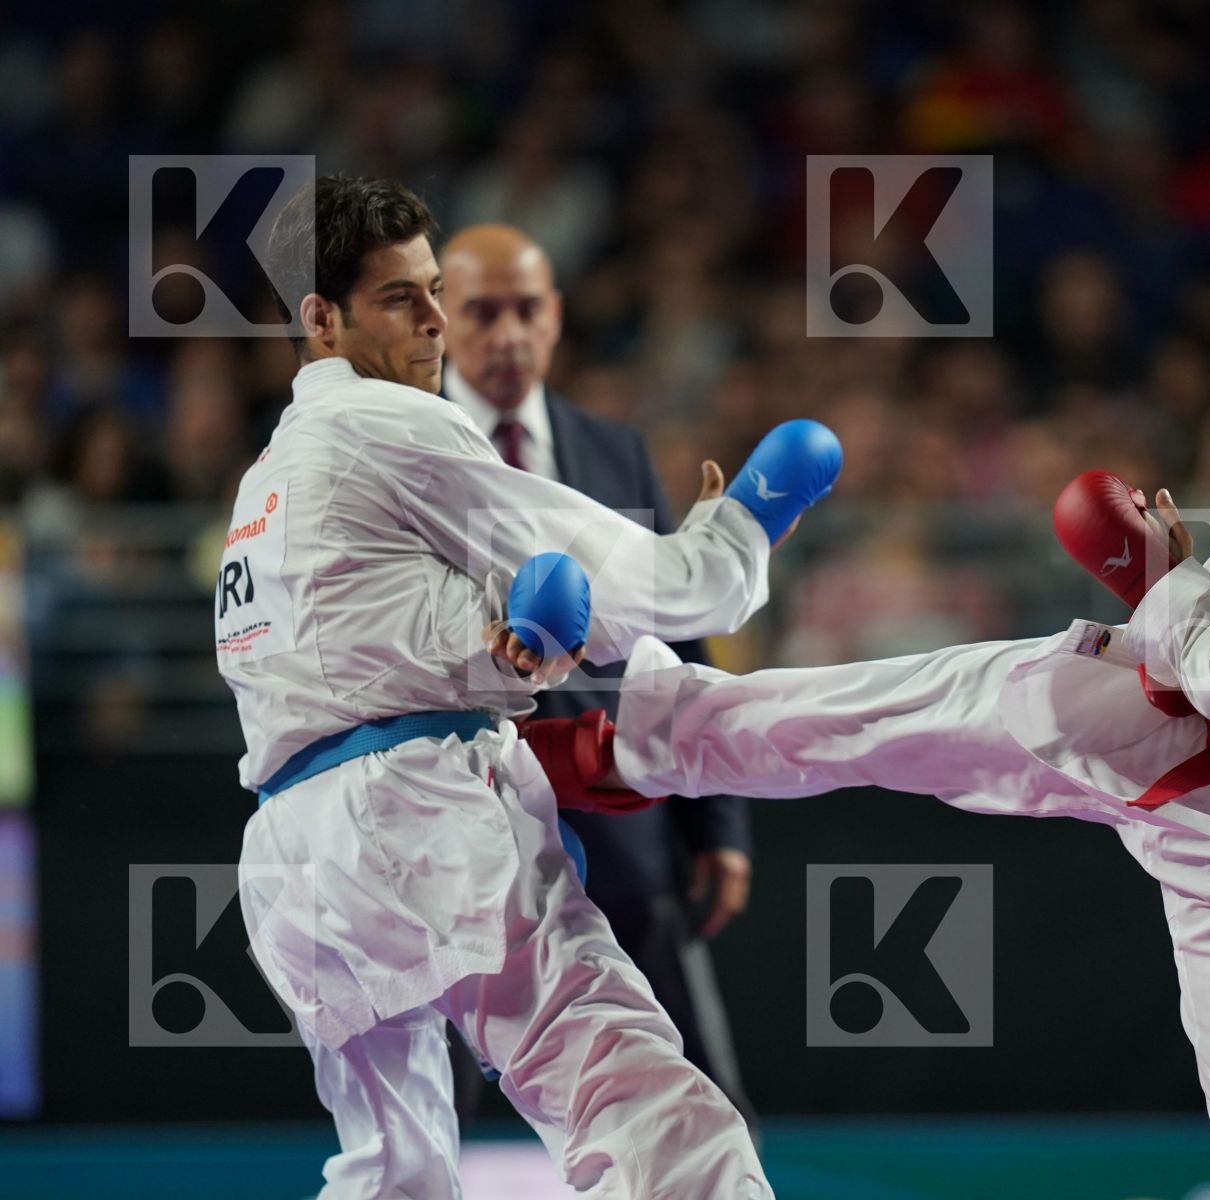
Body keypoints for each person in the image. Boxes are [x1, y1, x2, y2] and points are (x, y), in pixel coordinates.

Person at [559, 208, 1210, 1200]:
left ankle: (635, 743)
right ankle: (616, 746)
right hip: (1143, 709)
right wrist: (1176, 592)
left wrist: (1159, 580)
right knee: (886, 709)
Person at [214, 175, 832, 1199]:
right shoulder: (389, 421)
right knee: (645, 1107)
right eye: (399, 298)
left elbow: (367, 642)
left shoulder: (265, 484)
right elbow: (627, 581)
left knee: (393, 1173)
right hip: (415, 821)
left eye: (433, 291)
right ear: (321, 320)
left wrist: (507, 650)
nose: (435, 320)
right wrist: (736, 538)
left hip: (296, 863)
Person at [437, 222, 757, 1126]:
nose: (508, 335)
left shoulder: (614, 451)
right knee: (432, 1103)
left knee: (697, 1085)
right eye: (482, 312)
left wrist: (719, 823)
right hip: (457, 809)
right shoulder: (410, 455)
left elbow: (680, 641)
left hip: (621, 821)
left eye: (526, 310)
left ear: (556, 315)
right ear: (439, 320)